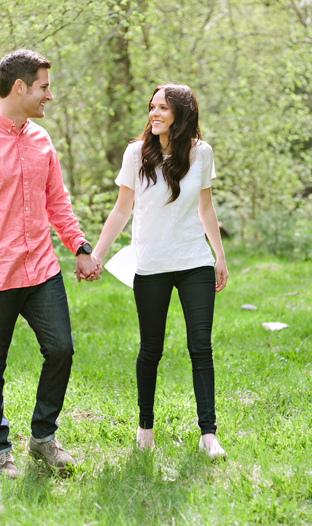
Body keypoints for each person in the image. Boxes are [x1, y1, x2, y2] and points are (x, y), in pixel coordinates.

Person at [0, 50, 101, 479]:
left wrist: (80, 246)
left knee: (61, 349)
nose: (50, 95)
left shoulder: (41, 140)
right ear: (19, 87)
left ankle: (43, 437)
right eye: (44, 87)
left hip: (41, 270)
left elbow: (57, 202)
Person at [92, 84, 229, 459]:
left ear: (181, 114)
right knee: (150, 349)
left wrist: (219, 256)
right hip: (151, 265)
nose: (154, 114)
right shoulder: (136, 154)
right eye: (152, 107)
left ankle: (208, 435)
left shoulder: (201, 153)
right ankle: (145, 428)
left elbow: (205, 208)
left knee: (201, 347)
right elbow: (122, 209)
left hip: (194, 262)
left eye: (163, 108)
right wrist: (97, 254)